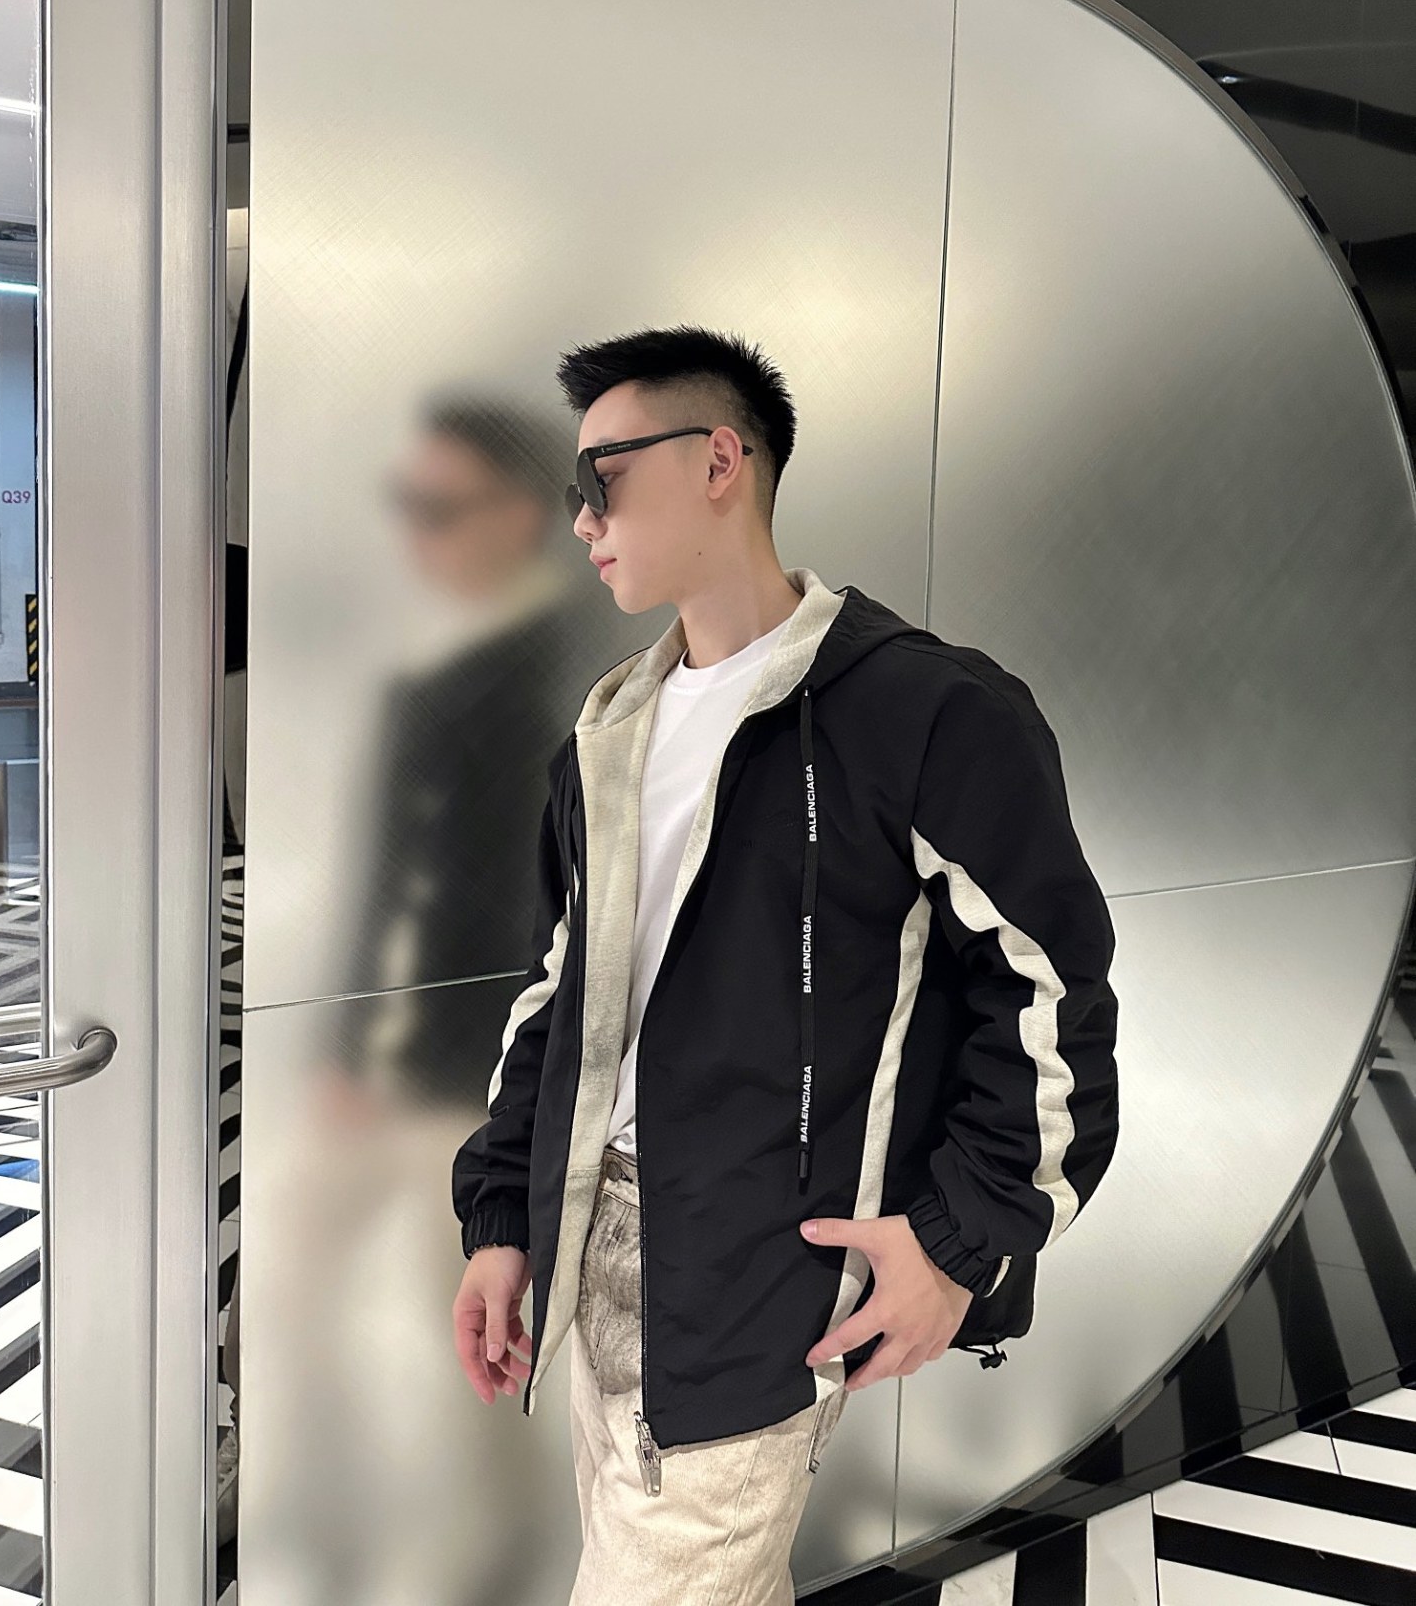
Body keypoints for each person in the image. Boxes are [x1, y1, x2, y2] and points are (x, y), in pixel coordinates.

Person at [451, 325, 1120, 1603]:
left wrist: (956, 1243)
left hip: (761, 1272)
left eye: (601, 478)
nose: (580, 519)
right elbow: (561, 994)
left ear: (719, 460)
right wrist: (502, 1215)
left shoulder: (923, 710)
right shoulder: (608, 728)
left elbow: (1050, 993)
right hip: (592, 1236)